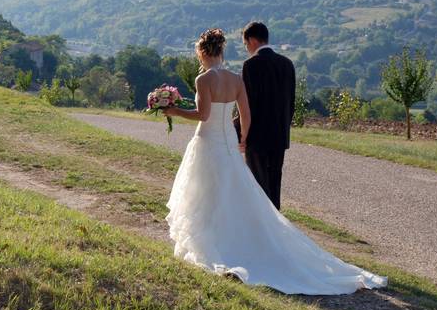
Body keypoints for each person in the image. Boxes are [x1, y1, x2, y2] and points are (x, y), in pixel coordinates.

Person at [163, 28, 386, 294]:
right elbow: (246, 114)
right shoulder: (236, 79)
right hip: (230, 147)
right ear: (221, 51)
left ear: (201, 52)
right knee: (239, 194)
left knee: (206, 195)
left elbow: (203, 114)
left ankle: (215, 243)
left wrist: (173, 110)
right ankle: (248, 240)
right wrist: (243, 138)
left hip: (207, 143)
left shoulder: (203, 79)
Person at [235, 21, 294, 209]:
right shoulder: (287, 64)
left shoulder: (250, 66)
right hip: (279, 135)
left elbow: (247, 106)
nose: (246, 49)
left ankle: (264, 230)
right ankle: (276, 226)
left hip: (258, 136)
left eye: (245, 45)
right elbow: (290, 103)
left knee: (258, 186)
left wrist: (239, 133)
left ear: (251, 40)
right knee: (274, 184)